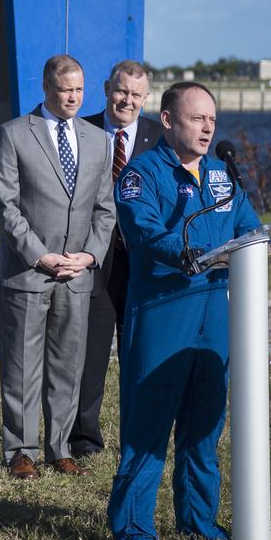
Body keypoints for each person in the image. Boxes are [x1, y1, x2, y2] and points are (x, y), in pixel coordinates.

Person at [106, 81, 261, 540]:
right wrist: (186, 252)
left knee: (203, 426)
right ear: (169, 121)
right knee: (147, 429)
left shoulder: (222, 174)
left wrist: (258, 244)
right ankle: (134, 530)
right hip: (163, 316)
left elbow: (250, 228)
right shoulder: (142, 173)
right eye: (197, 119)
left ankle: (198, 522)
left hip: (215, 315)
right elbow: (143, 230)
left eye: (212, 119)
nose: (208, 127)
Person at [0, 54, 114, 480]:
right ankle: (21, 449)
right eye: (66, 90)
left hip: (77, 274)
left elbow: (104, 209)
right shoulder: (13, 135)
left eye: (80, 89)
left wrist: (90, 255)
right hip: (28, 271)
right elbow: (6, 208)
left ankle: (60, 447)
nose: (74, 97)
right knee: (22, 365)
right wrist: (40, 254)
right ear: (46, 89)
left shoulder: (98, 140)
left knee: (67, 365)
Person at [69, 60, 162, 459]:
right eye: (121, 91)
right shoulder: (80, 130)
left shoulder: (161, 138)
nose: (127, 100)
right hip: (95, 261)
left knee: (138, 355)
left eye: (136, 95)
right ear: (107, 88)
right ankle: (84, 439)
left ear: (146, 98)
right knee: (88, 358)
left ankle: (137, 437)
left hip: (142, 264)